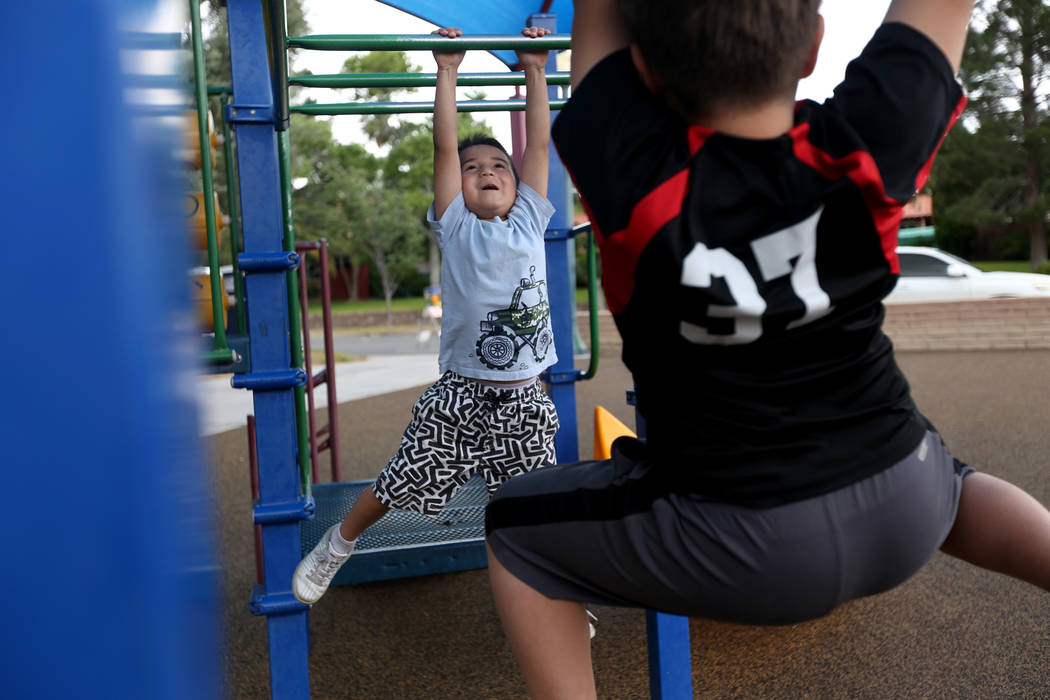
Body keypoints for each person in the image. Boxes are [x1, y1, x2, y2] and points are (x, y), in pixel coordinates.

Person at [483, 1, 1050, 697]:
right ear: (814, 46)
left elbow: (598, 36)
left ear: (645, 73)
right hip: (909, 501)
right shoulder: (865, 142)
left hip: (734, 544)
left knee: (514, 531)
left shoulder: (628, 170)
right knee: (950, 480)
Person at [293, 25, 560, 606]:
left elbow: (537, 148)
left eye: (498, 166)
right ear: (455, 188)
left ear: (517, 186)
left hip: (526, 398)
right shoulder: (458, 225)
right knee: (400, 480)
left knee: (534, 504)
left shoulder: (529, 220)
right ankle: (338, 545)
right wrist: (447, 69)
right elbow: (445, 148)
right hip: (462, 393)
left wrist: (535, 68)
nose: (487, 171)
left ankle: (555, 595)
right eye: (473, 168)